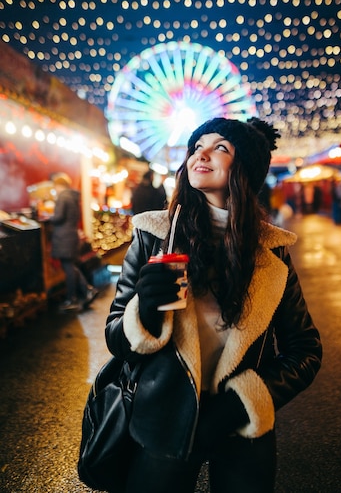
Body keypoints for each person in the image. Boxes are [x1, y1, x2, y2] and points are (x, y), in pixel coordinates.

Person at [105, 117, 322, 493]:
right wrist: (144, 311)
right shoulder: (153, 236)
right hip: (163, 421)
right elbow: (116, 338)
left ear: (245, 169)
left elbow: (304, 350)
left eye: (220, 147)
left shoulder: (272, 253)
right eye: (197, 145)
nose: (200, 154)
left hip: (241, 429)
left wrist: (242, 404)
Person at [49, 173, 98, 311]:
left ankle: (72, 299)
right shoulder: (72, 197)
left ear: (59, 185)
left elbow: (58, 217)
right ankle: (88, 290)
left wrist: (49, 217)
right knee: (71, 267)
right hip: (72, 235)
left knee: (68, 268)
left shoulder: (62, 197)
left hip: (63, 237)